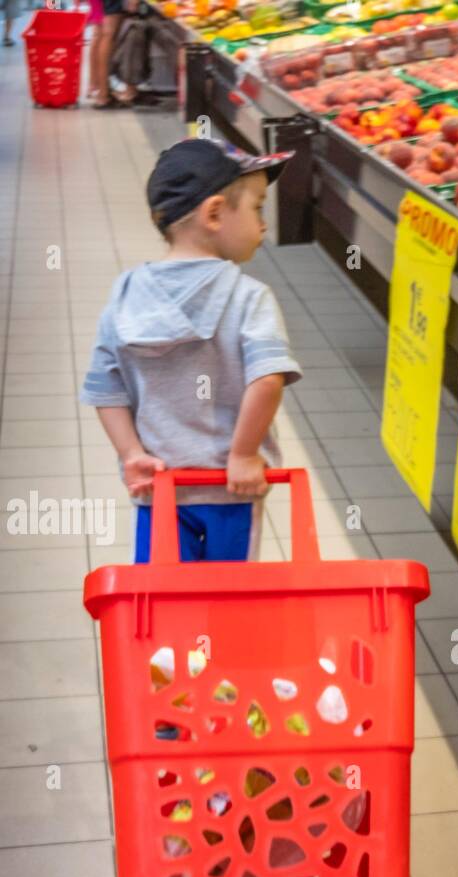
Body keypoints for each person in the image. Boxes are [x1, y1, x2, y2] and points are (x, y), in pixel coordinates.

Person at [80, 139, 301, 561]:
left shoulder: (125, 293)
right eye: (257, 208)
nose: (263, 225)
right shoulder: (249, 296)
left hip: (159, 488)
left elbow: (104, 387)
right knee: (228, 596)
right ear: (215, 213)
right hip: (230, 488)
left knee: (164, 599)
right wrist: (243, 453)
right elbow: (268, 379)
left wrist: (132, 455)